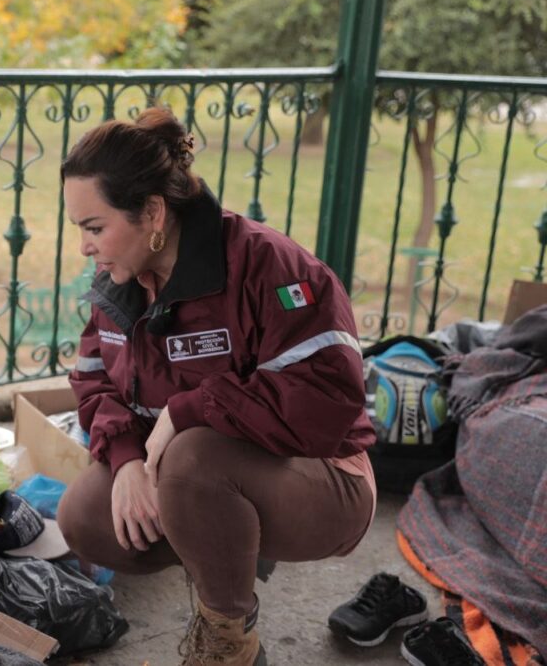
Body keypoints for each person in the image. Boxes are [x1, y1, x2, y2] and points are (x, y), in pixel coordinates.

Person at [55, 107, 377, 666]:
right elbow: (92, 379)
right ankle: (221, 547)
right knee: (84, 514)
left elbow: (327, 397)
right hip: (199, 477)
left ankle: (229, 640)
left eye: (94, 228)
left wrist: (187, 410)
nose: (85, 247)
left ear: (152, 212)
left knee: (192, 455)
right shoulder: (120, 280)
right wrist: (127, 457)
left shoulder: (267, 264)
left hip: (325, 480)